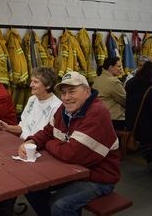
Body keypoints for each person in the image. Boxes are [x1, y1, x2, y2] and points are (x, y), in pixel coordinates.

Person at [18, 71, 120, 216]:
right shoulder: (64, 109)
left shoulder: (97, 113)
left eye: (72, 91)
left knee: (60, 205)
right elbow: (48, 131)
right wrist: (32, 140)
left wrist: (48, 144)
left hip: (97, 177)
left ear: (87, 91)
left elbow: (72, 154)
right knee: (31, 187)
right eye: (63, 93)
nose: (66, 98)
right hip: (71, 171)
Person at [0, 67, 62, 139]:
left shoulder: (57, 107)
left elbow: (51, 137)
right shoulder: (32, 99)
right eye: (31, 81)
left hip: (37, 148)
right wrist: (7, 127)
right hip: (23, 144)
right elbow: (23, 127)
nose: (31, 85)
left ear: (48, 85)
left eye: (36, 82)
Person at [92, 56, 126, 129]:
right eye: (119, 66)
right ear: (110, 67)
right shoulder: (113, 82)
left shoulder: (98, 79)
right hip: (114, 119)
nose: (121, 69)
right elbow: (125, 100)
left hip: (99, 117)